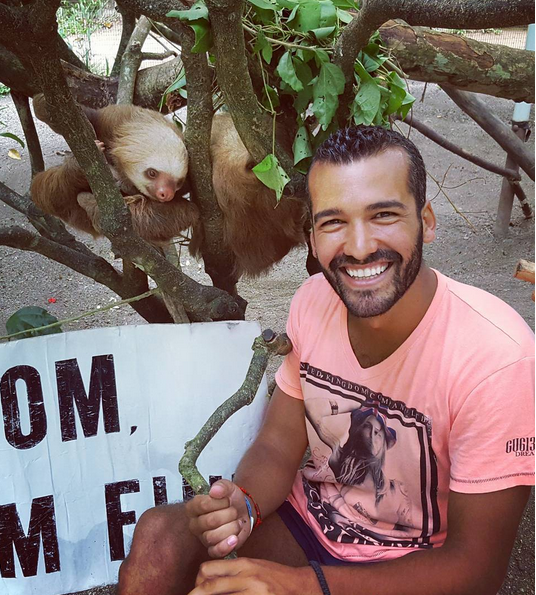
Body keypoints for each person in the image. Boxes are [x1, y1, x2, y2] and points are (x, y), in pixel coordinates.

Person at [117, 126, 535, 595]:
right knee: (160, 534)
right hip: (310, 524)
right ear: (312, 238)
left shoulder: (497, 357)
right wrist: (244, 504)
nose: (358, 247)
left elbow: (476, 570)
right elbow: (278, 443)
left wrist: (301, 585)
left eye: (383, 215)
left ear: (428, 221)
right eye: (334, 222)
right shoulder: (313, 301)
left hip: (408, 568)